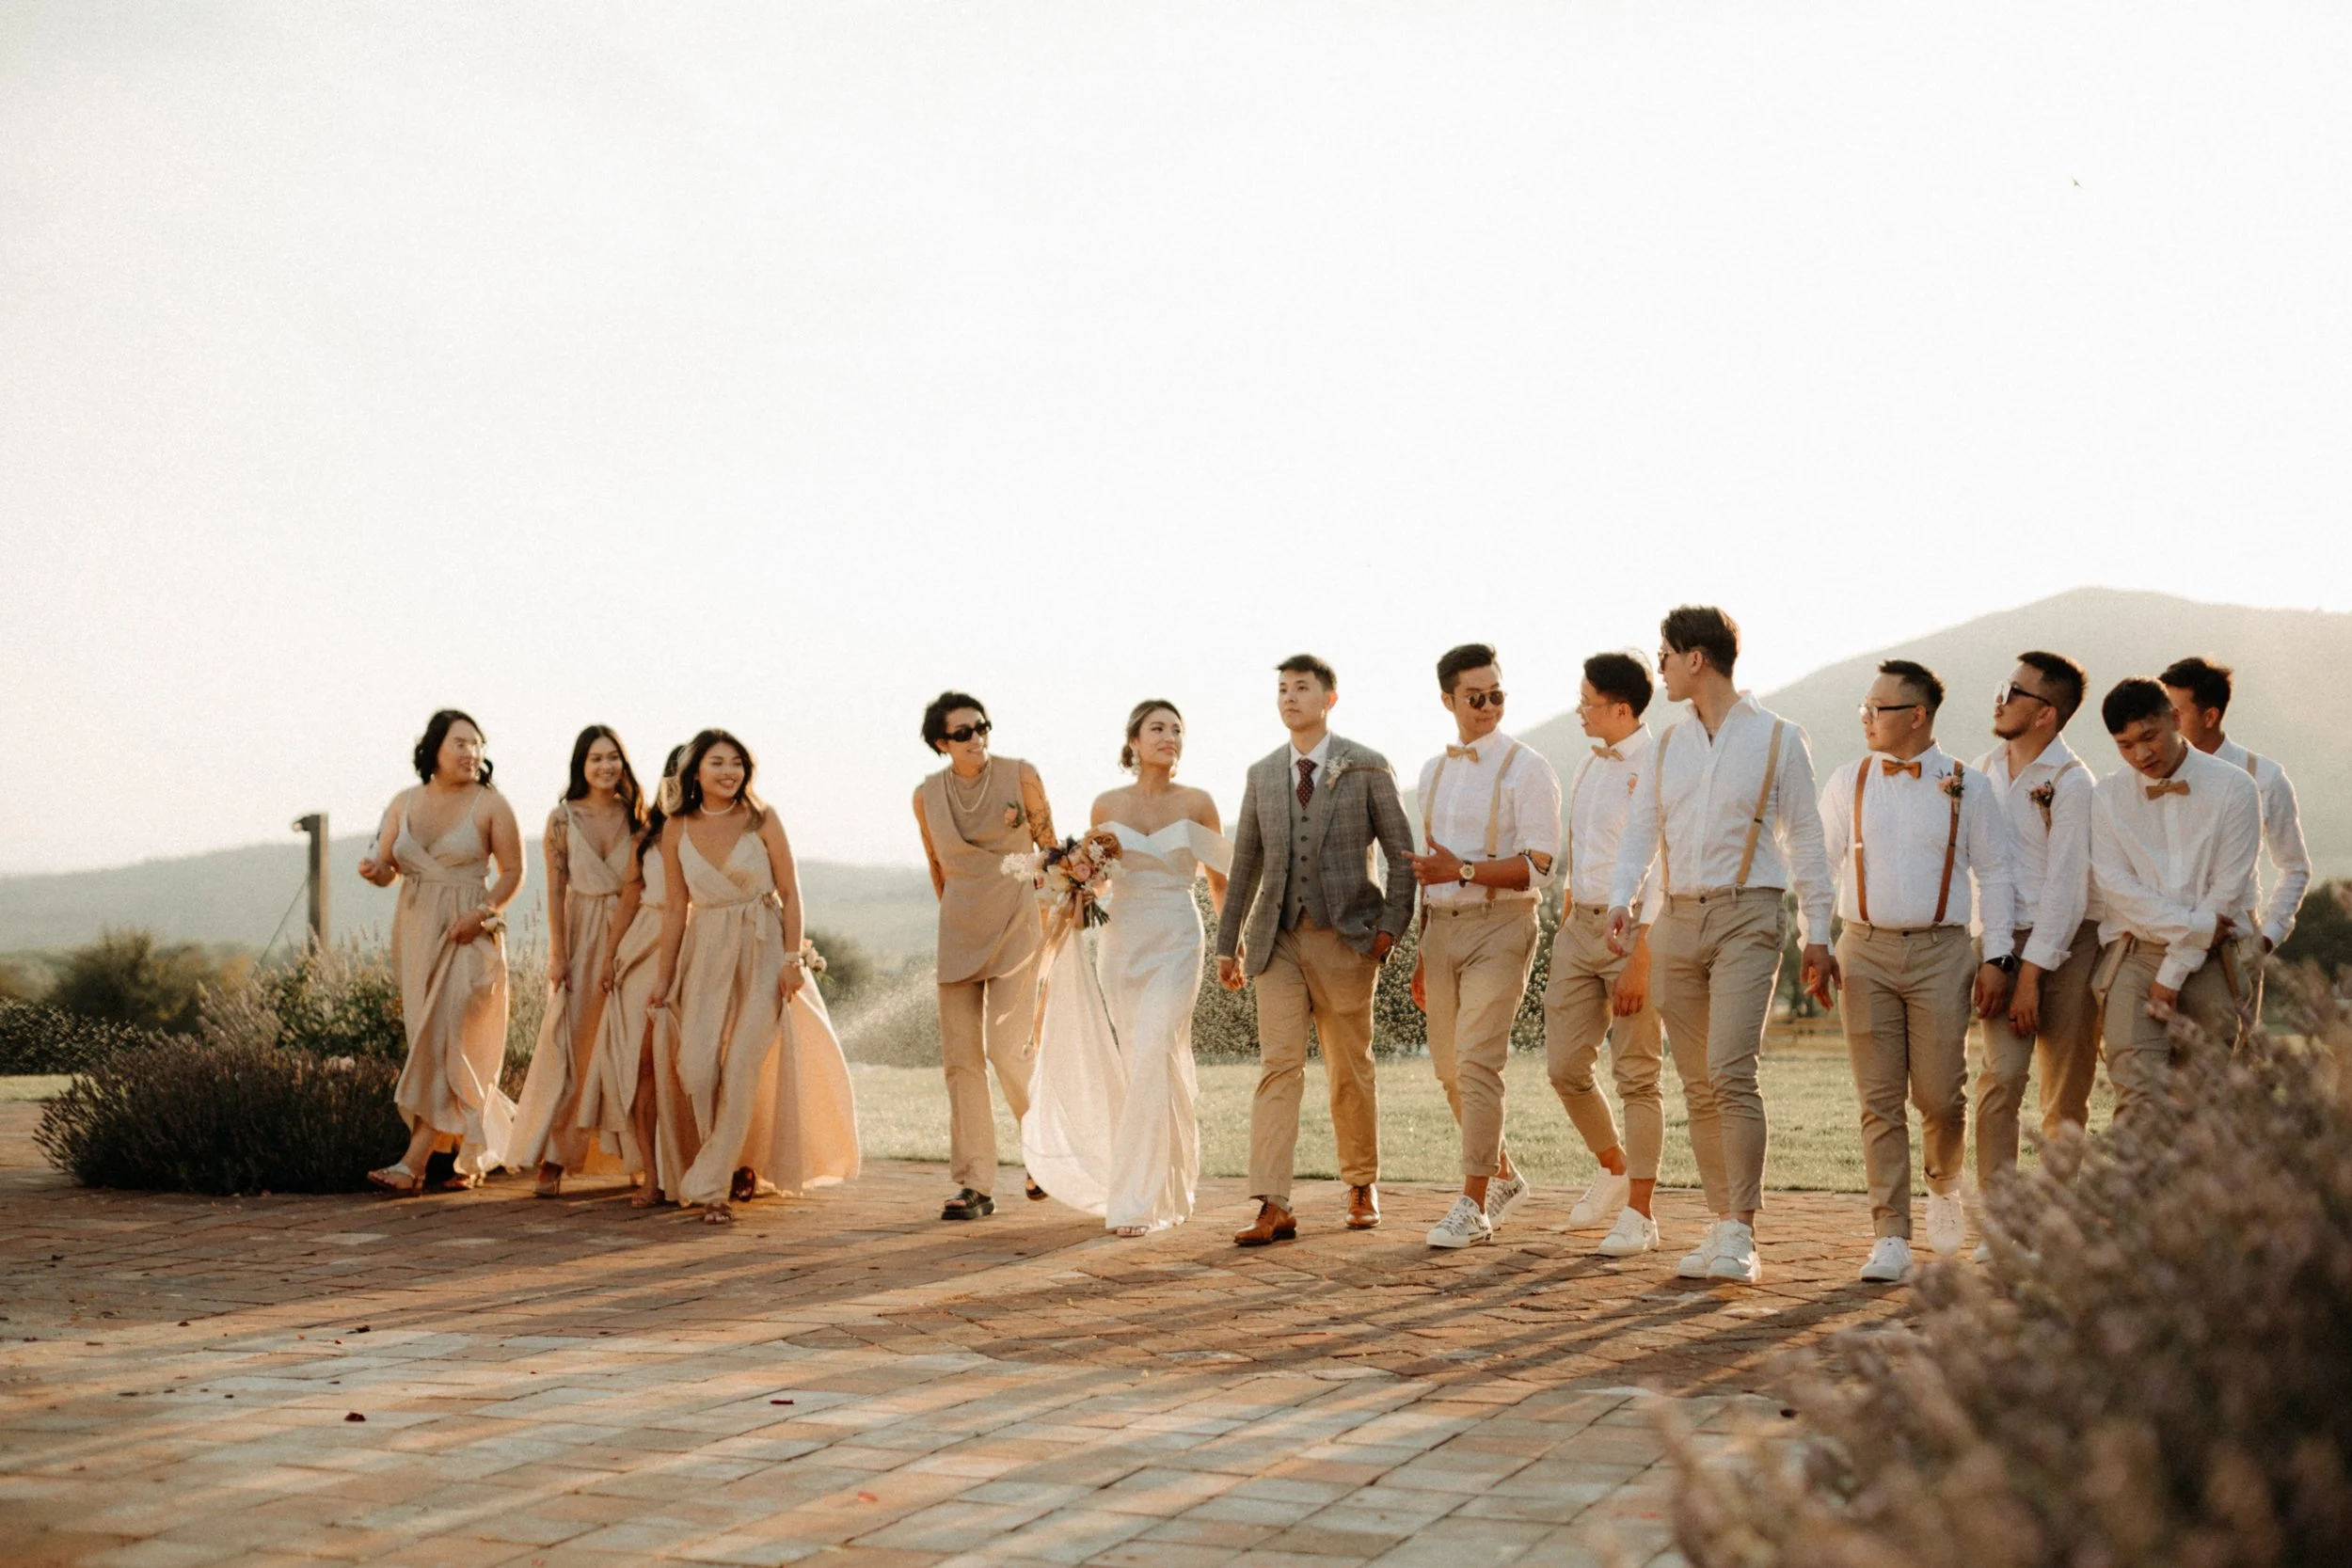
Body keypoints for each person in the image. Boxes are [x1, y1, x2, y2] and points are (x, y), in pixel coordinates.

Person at [1607, 608, 1835, 1286]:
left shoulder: (1778, 737)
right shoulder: (1667, 747)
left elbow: (1808, 840)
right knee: (1698, 1082)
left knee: (1732, 1070)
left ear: (1696, 659)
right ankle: (1719, 1220)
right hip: (1677, 919)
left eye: (1665, 656)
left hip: (1748, 915)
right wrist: (1622, 899)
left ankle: (1741, 1230)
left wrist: (1818, 932)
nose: (1660, 669)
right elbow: (1641, 830)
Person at [1819, 661, 2017, 1283]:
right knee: (1878, 1099)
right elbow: (1819, 866)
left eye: (1876, 708)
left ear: (1917, 715)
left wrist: (1997, 955)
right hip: (1863, 949)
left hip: (1942, 952)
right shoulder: (1847, 781)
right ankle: (1890, 1235)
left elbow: (1997, 873)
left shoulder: (1968, 785)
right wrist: (1813, 940)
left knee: (1940, 1096)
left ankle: (1943, 1182)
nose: (1866, 717)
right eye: (1865, 707)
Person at [1216, 654, 1417, 1245]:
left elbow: (1402, 855)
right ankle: (1272, 1202)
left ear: (1330, 699)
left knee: (1349, 1067)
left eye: (1301, 688)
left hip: (1347, 939)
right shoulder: (1261, 774)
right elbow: (1245, 863)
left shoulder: (1367, 765)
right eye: (1282, 688)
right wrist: (1228, 944)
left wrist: (1389, 930)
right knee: (1278, 1067)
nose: (1289, 697)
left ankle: (1361, 1184)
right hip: (1277, 940)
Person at [1025, 702, 1232, 1236]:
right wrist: (1070, 884)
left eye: (1177, 730)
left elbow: (1219, 880)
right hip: (1122, 943)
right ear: (1134, 741)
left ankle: (1139, 1202)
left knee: (1154, 1047)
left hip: (1177, 938)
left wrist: (1232, 945)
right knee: (1143, 1059)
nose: (1170, 737)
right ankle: (1167, 1185)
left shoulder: (1199, 802)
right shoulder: (1107, 803)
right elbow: (1099, 879)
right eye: (1157, 728)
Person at [650, 729, 861, 1222]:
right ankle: (721, 1163)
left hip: (763, 946)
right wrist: (663, 978)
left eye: (737, 763)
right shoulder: (677, 827)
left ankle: (712, 1189)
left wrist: (792, 961)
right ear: (695, 771)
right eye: (718, 763)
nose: (729, 772)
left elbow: (791, 891)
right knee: (697, 1068)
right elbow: (676, 908)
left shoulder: (762, 818)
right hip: (705, 951)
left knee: (743, 1064)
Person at [1406, 645, 1561, 1250]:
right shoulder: (1432, 772)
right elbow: (1430, 870)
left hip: (1503, 924)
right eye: (1476, 697)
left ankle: (1472, 1205)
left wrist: (1464, 870)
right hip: (1441, 929)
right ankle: (1504, 1175)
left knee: (1477, 1063)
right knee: (1448, 1070)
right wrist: (1423, 951)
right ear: (1448, 700)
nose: (1489, 706)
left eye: (1497, 694)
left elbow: (1540, 867)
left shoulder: (1529, 768)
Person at [360, 709, 524, 1194]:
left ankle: (412, 1164)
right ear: (434, 748)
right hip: (416, 931)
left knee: (447, 1036)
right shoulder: (403, 802)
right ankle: (478, 1150)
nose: (471, 753)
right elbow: (387, 867)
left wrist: (481, 914)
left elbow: (514, 872)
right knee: (428, 1041)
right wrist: (375, 873)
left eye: (477, 744)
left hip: (469, 930)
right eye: (461, 743)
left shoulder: (492, 805)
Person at [1542, 652, 1668, 1259]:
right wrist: (1569, 918)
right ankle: (1614, 1166)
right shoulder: (1589, 765)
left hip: (1637, 931)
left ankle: (1641, 1213)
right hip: (1579, 928)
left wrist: (1642, 952)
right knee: (1564, 1067)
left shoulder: (1661, 765)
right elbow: (1582, 849)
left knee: (1638, 1075)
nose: (1579, 711)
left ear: (1621, 708)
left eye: (1587, 702)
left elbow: (1663, 866)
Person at [914, 692, 1057, 1221]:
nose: (978, 738)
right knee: (961, 1061)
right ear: (942, 743)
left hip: (1018, 922)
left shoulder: (1022, 775)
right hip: (958, 929)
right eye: (964, 733)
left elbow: (1051, 850)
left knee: (1006, 1048)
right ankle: (975, 1184)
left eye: (983, 727)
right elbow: (937, 867)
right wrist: (960, 918)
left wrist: (1053, 918)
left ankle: (1044, 1154)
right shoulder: (925, 795)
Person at [2090, 679, 2262, 1118]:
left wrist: (2175, 969)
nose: (2140, 754)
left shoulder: (2235, 787)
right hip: (2133, 954)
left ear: (2176, 719)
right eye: (2125, 745)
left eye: (2149, 736)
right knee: (2137, 1100)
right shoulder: (2107, 795)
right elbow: (2116, 886)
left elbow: (2227, 891)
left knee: (2205, 1104)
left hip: (2211, 960)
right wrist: (2196, 927)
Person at [1972, 653, 2100, 1215]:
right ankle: (1999, 1220)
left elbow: (2067, 889)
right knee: (2000, 1078)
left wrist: (2032, 975)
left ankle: (2054, 1222)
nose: (1999, 699)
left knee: (2064, 1094)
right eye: (2003, 686)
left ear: (2046, 713)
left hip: (2070, 944)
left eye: (2013, 691)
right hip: (2001, 941)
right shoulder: (1981, 770)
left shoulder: (2073, 783)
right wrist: (1994, 955)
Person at [510, 726, 644, 1197]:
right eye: (596, 758)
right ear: (581, 766)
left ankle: (637, 1157)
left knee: (630, 1047)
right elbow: (554, 890)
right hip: (583, 935)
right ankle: (556, 1157)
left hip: (633, 935)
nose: (606, 766)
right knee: (576, 1049)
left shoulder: (639, 816)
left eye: (613, 757)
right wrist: (558, 953)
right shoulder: (562, 819)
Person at [2159, 657, 2311, 1000]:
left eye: (2175, 713)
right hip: (2160, 940)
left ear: (2210, 717)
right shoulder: (2149, 773)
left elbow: (2294, 867)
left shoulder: (2265, 777)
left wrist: (2266, 939)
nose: (2165, 723)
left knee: (2226, 1037)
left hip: (2232, 945)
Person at [588, 744, 684, 1208]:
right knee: (644, 1062)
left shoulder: (720, 832)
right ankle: (652, 1174)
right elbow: (630, 895)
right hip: (644, 943)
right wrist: (610, 955)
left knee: (697, 1063)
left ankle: (717, 1166)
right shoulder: (647, 835)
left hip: (698, 942)